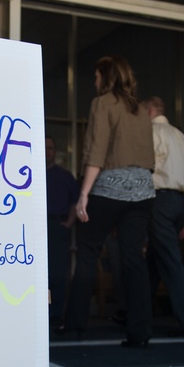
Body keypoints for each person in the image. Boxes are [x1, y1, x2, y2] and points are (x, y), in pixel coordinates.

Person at [65, 55, 156, 348]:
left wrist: (83, 194)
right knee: (134, 260)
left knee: (88, 253)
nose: (94, 81)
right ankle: (139, 333)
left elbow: (96, 151)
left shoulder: (102, 103)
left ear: (107, 77)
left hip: (108, 189)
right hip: (143, 192)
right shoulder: (141, 109)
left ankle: (76, 326)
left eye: (96, 76)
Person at [142, 96, 184, 337]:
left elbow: (148, 170)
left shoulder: (152, 133)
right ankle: (136, 313)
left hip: (160, 201)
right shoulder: (182, 138)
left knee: (169, 260)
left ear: (149, 110)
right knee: (155, 261)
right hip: (179, 203)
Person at [44, 136, 78, 328]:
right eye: (44, 148)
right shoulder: (28, 174)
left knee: (57, 274)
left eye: (51, 148)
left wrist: (69, 222)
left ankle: (55, 316)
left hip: (57, 227)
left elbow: (75, 201)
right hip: (34, 231)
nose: (48, 151)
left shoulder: (65, 176)